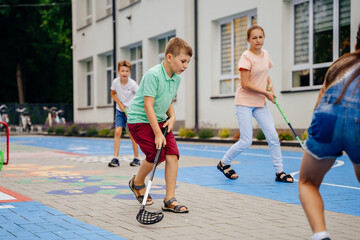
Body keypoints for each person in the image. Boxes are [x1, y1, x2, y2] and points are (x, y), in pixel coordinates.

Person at [298, 24, 360, 240]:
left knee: (308, 182)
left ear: (355, 44)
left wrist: (315, 137)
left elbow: (319, 104)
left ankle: (320, 234)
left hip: (328, 116)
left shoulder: (341, 64)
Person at [217, 25, 294, 183]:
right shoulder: (246, 57)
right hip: (244, 102)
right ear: (248, 40)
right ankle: (224, 163)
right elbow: (245, 84)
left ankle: (279, 172)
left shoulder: (266, 54)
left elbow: (265, 74)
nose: (258, 40)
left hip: (259, 103)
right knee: (246, 141)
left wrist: (270, 85)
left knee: (273, 137)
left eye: (260, 37)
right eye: (254, 38)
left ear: (264, 38)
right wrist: (265, 93)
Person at [127, 37, 192, 212]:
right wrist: (157, 133)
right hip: (139, 120)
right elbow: (148, 105)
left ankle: (169, 199)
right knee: (157, 154)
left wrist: (172, 116)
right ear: (169, 57)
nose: (185, 66)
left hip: (160, 119)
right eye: (183, 61)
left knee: (172, 155)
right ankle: (137, 182)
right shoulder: (153, 74)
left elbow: (167, 98)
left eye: (188, 62)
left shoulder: (176, 78)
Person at [108, 60, 141, 167]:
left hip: (131, 111)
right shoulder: (115, 82)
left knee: (132, 134)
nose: (124, 73)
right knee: (118, 131)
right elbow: (113, 94)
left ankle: (136, 158)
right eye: (122, 71)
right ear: (118, 71)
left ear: (129, 72)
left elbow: (138, 97)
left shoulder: (133, 84)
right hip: (119, 110)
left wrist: (132, 109)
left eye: (127, 71)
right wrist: (120, 104)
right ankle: (115, 158)